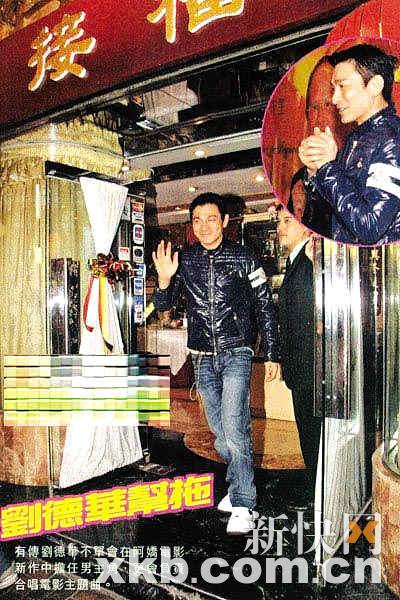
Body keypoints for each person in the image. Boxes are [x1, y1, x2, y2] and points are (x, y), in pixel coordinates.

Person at [152, 192, 279, 535]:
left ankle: (244, 503)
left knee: (235, 428)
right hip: (202, 357)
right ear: (191, 225)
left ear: (224, 221)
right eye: (197, 220)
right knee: (221, 434)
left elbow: (265, 305)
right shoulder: (185, 259)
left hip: (237, 351)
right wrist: (164, 279)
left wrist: (271, 352)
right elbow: (163, 305)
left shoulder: (244, 256)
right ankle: (238, 485)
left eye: (211, 219)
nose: (204, 226)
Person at [299, 43, 400, 245]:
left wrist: (327, 167)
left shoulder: (392, 138)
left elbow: (370, 226)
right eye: (333, 88)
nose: (335, 98)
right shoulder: (355, 139)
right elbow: (336, 216)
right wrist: (314, 172)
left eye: (342, 86)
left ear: (375, 85)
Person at [277, 207, 321, 503]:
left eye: (287, 221)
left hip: (309, 367)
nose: (281, 227)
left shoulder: (307, 262)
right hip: (301, 366)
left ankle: (316, 492)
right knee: (308, 431)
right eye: (279, 221)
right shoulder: (297, 262)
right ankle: (313, 488)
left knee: (312, 432)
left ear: (305, 227)